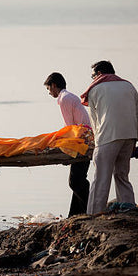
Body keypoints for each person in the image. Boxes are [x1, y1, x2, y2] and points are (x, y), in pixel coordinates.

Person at [81, 61, 138, 214]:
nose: (92, 79)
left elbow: (94, 121)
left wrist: (96, 144)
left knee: (101, 177)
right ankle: (128, 206)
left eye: (93, 75)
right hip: (130, 134)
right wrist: (136, 137)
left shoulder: (95, 89)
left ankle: (94, 212)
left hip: (108, 136)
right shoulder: (129, 86)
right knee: (122, 174)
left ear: (99, 74)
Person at [44, 72, 91, 217]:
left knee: (75, 181)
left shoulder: (63, 98)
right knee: (78, 179)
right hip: (85, 137)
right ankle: (75, 213)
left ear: (53, 85)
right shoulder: (69, 96)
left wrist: (63, 147)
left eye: (48, 88)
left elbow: (70, 127)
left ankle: (87, 210)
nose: (49, 92)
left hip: (81, 141)